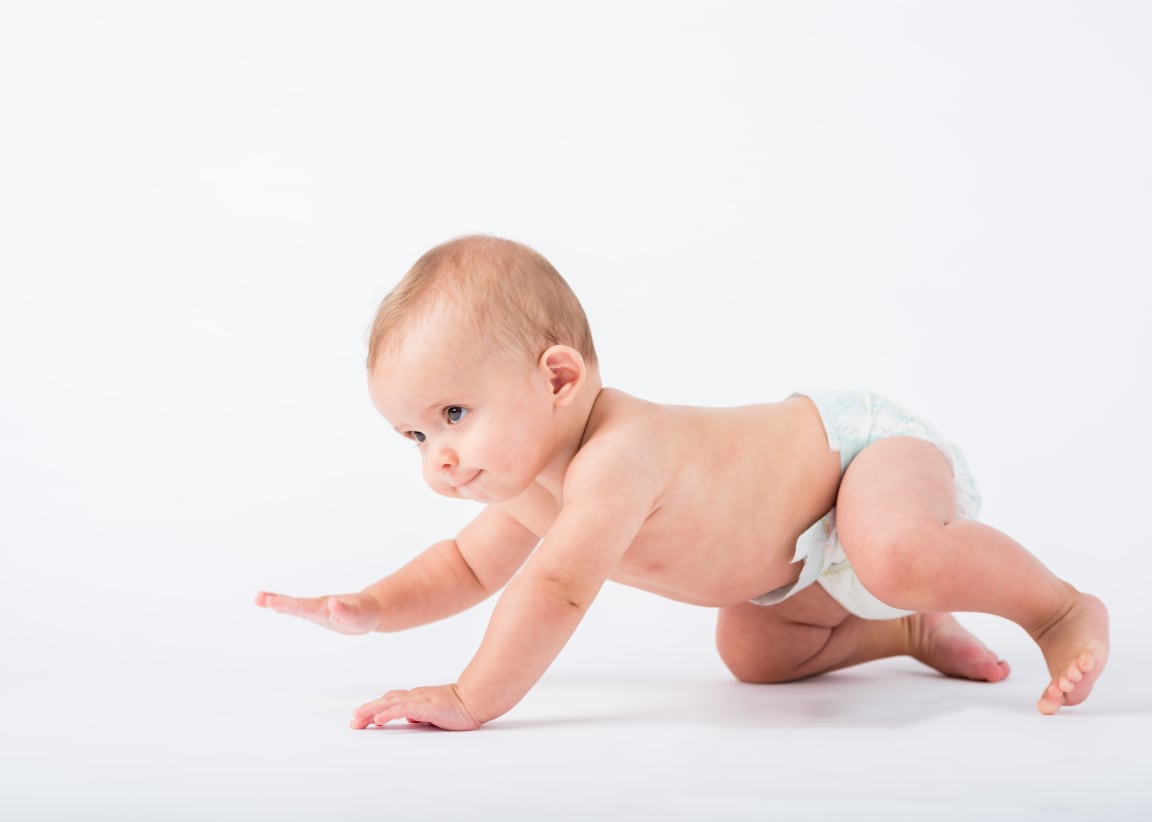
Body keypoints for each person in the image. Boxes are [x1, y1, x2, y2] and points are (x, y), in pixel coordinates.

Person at [255, 235, 1109, 731]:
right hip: (802, 569)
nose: (436, 455)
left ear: (558, 379)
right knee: (755, 653)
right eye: (413, 434)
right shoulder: (526, 492)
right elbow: (464, 569)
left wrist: (471, 698)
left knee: (891, 551)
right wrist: (369, 609)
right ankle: (913, 634)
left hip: (858, 456)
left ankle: (1062, 610)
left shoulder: (621, 456)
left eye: (452, 415)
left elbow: (553, 591)